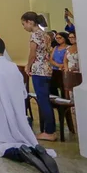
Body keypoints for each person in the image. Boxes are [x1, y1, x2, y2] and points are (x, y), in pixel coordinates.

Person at [0, 37, 59, 173]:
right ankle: (35, 150)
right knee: (15, 136)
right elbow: (23, 91)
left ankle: (20, 153)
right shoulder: (13, 66)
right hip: (15, 112)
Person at [22, 12, 56, 141]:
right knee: (45, 100)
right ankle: (50, 129)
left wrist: (28, 66)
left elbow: (33, 54)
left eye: (24, 24)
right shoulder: (45, 34)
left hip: (38, 70)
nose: (24, 27)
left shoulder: (35, 35)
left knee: (43, 101)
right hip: (47, 69)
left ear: (30, 22)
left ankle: (49, 131)